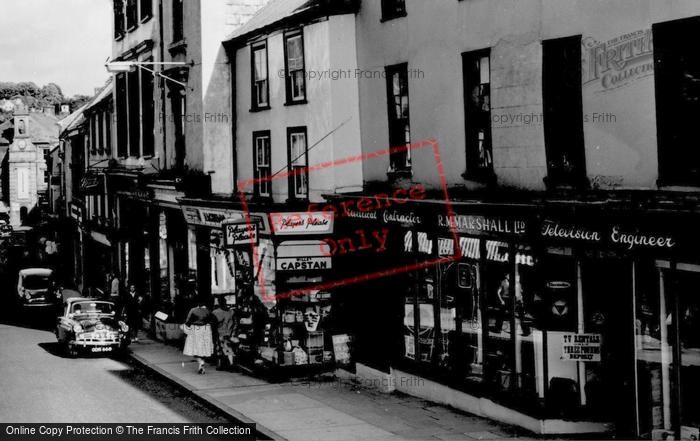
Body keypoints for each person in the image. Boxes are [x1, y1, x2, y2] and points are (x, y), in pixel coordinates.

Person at [183, 300, 215, 374]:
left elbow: (188, 320)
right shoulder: (207, 311)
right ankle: (202, 363)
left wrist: (186, 329)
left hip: (195, 329)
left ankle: (200, 363)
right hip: (206, 329)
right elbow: (213, 319)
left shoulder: (193, 310)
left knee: (195, 348)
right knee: (203, 348)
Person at [212, 296, 236, 370]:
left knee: (219, 349)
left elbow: (213, 324)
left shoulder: (215, 312)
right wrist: (233, 332)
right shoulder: (231, 312)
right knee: (228, 348)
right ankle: (231, 363)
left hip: (219, 333)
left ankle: (220, 365)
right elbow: (235, 323)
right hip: (229, 333)